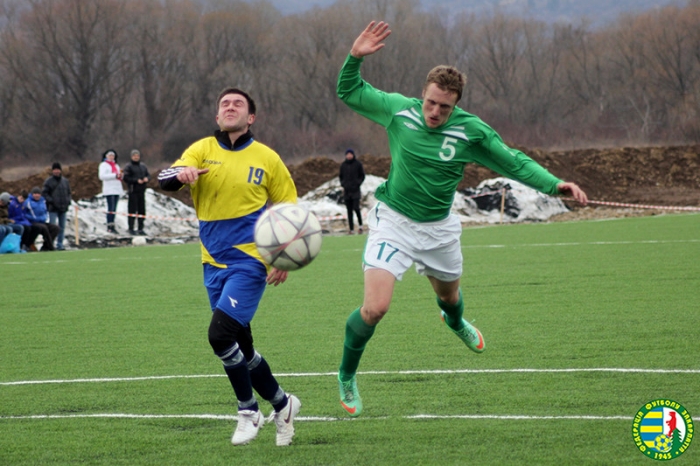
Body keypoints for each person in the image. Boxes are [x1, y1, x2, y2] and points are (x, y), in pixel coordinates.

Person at [334, 21, 589, 417]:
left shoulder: (472, 132)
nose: (435, 112)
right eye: (431, 102)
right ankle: (347, 375)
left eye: (445, 106)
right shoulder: (399, 110)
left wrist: (556, 185)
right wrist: (354, 57)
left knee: (450, 299)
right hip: (394, 222)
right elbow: (348, 91)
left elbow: (514, 162)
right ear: (423, 95)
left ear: (457, 105)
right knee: (375, 308)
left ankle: (454, 322)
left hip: (439, 228)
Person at [158, 87, 301, 447]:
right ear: (217, 116)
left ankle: (248, 411)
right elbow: (163, 179)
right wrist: (183, 174)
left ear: (250, 117)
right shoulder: (201, 149)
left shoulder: (267, 158)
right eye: (225, 104)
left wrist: (285, 256)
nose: (231, 107)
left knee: (219, 336)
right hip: (212, 263)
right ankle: (283, 405)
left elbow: (290, 209)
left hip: (250, 262)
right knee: (242, 347)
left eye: (239, 104)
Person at [42, 162, 72, 250]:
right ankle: (50, 244)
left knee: (62, 227)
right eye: (54, 170)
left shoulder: (65, 181)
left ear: (60, 170)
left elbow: (69, 193)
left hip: (63, 208)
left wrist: (68, 201)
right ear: (52, 171)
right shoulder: (48, 181)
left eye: (58, 169)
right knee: (53, 228)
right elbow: (45, 193)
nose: (56, 171)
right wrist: (52, 201)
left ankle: (60, 244)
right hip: (53, 208)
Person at [23, 186, 61, 251]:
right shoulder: (27, 202)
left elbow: (45, 212)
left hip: (42, 221)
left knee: (55, 228)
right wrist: (32, 218)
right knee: (43, 228)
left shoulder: (43, 201)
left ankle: (45, 246)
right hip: (32, 222)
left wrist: (44, 218)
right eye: (35, 193)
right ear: (32, 194)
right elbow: (24, 214)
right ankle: (51, 247)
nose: (37, 195)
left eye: (38, 193)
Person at [122, 149, 150, 235]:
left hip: (142, 191)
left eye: (137, 156)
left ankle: (140, 228)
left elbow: (148, 175)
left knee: (142, 210)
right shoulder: (128, 166)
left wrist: (147, 179)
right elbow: (126, 178)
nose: (136, 157)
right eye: (134, 156)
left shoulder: (143, 166)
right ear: (131, 157)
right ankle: (131, 228)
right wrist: (136, 180)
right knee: (132, 210)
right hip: (133, 190)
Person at [339, 148, 365, 234]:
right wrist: (343, 184)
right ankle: (351, 229)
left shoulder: (358, 164)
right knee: (349, 210)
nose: (349, 156)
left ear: (353, 155)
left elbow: (362, 175)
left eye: (350, 154)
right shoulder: (343, 165)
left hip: (355, 191)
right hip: (347, 191)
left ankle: (360, 226)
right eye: (347, 154)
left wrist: (358, 183)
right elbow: (341, 176)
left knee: (356, 208)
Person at [99, 149, 124, 234]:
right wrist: (114, 175)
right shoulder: (103, 165)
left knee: (114, 208)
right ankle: (109, 225)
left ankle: (113, 224)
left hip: (116, 188)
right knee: (111, 208)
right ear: (106, 156)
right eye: (109, 155)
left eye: (112, 155)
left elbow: (118, 175)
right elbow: (102, 176)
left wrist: (121, 176)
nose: (111, 157)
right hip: (109, 189)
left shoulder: (116, 165)